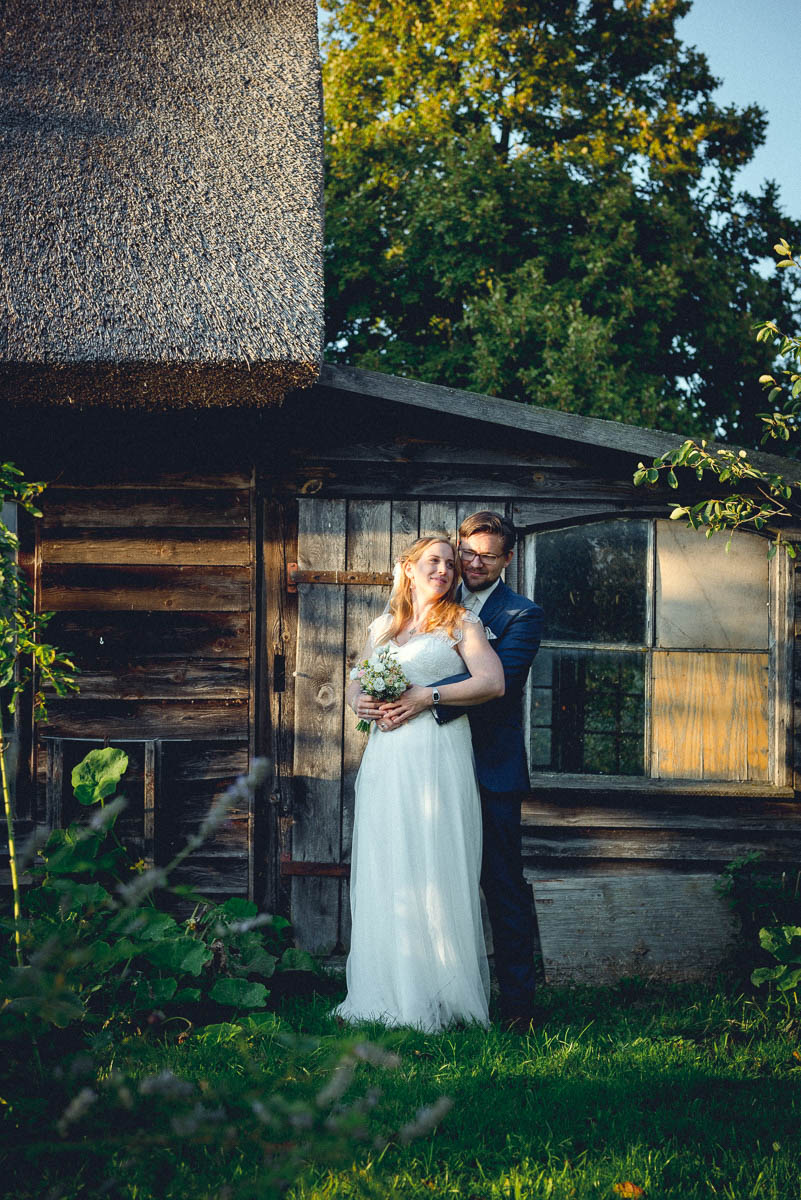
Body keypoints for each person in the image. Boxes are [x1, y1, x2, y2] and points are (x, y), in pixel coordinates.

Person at [380, 512, 543, 1030]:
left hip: (487, 766)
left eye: (486, 556)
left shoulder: (520, 614)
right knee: (424, 876)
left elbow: (501, 685)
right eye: (466, 552)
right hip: (422, 762)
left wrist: (420, 694)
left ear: (507, 560)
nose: (472, 563)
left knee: (501, 884)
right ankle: (429, 993)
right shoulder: (423, 605)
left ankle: (518, 1008)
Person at [335, 536, 505, 1032]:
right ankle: (381, 990)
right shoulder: (385, 626)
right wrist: (358, 703)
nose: (445, 570)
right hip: (386, 758)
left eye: (451, 564)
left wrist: (426, 695)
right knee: (389, 862)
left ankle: (440, 995)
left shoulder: (460, 622)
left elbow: (491, 682)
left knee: (431, 861)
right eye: (434, 561)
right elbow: (355, 680)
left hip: (434, 756)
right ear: (407, 569)